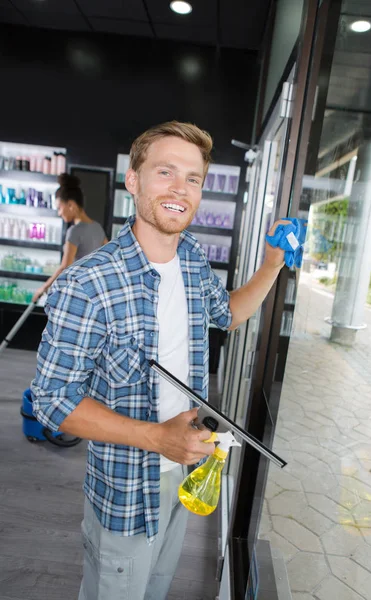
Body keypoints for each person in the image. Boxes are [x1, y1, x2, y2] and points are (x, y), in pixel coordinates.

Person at [31, 121, 288, 600]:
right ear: (133, 180)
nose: (180, 188)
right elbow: (51, 402)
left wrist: (272, 262)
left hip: (184, 475)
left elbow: (227, 314)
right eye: (165, 171)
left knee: (157, 589)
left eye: (193, 178)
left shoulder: (190, 258)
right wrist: (157, 439)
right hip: (127, 491)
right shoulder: (87, 284)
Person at [32, 173, 108, 302]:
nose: (59, 213)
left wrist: (43, 288)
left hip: (77, 293)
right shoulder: (97, 227)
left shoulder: (74, 231)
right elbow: (108, 258)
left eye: (60, 208)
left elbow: (64, 266)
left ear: (71, 205)